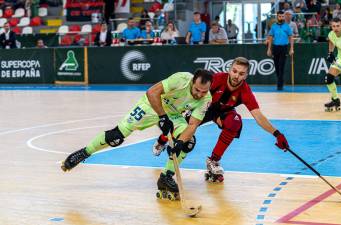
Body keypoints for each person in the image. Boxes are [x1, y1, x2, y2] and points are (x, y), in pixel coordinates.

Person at [61, 69, 213, 200]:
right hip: (152, 105)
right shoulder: (181, 79)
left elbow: (193, 124)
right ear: (193, 81)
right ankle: (83, 153)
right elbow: (152, 92)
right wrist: (162, 116)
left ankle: (166, 177)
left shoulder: (206, 99)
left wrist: (180, 143)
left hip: (174, 114)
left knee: (188, 142)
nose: (199, 94)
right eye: (197, 89)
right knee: (116, 136)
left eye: (203, 91)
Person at [153, 57, 290, 182]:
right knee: (180, 130)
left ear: (246, 75)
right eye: (235, 71)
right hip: (201, 109)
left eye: (241, 74)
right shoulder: (216, 80)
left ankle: (213, 161)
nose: (236, 76)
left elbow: (258, 116)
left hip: (222, 113)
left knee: (234, 122)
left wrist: (277, 134)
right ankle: (163, 139)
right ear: (229, 70)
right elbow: (193, 94)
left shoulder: (245, 91)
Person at [267, 10, 294, 90]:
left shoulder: (287, 26)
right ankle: (280, 81)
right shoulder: (273, 26)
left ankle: (280, 85)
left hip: (284, 48)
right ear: (277, 17)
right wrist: (269, 49)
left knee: (281, 65)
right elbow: (270, 38)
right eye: (280, 16)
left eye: (282, 16)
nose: (281, 18)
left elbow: (291, 37)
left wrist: (291, 48)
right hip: (275, 48)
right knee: (277, 66)